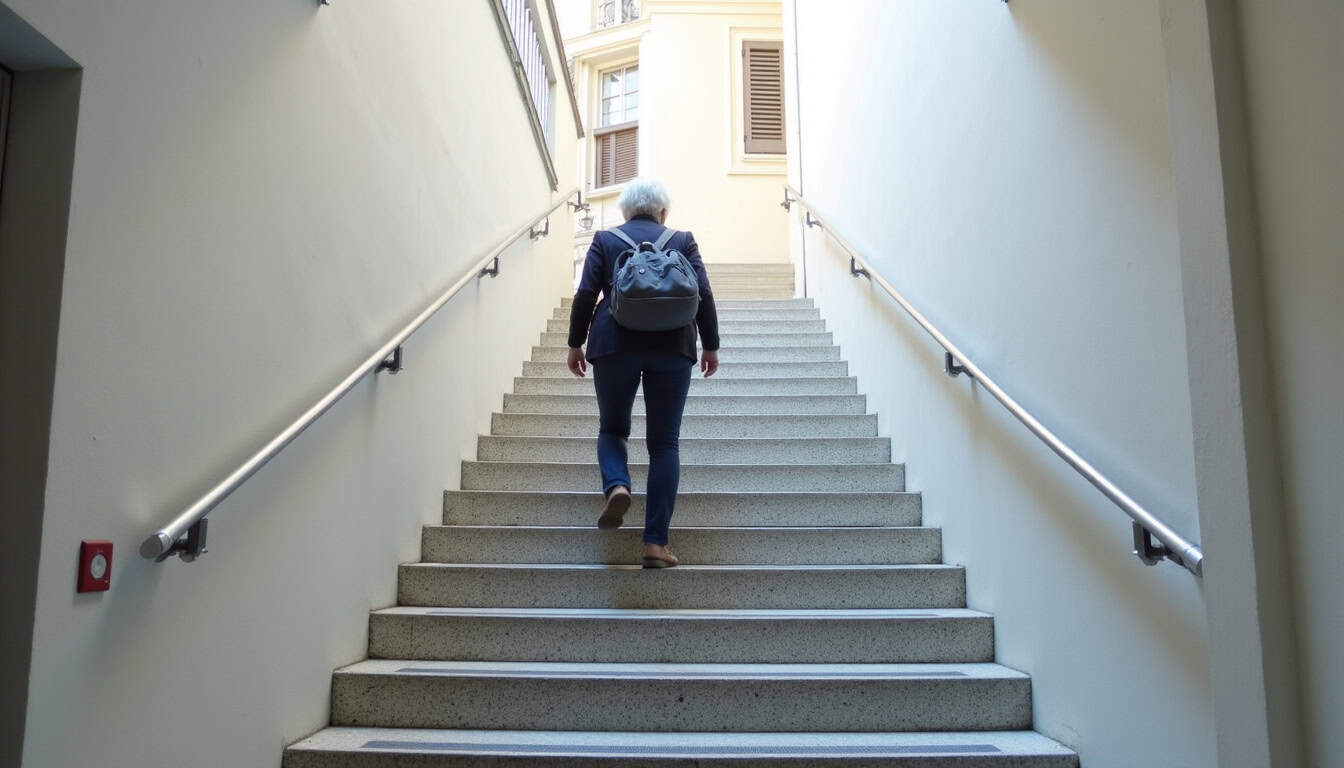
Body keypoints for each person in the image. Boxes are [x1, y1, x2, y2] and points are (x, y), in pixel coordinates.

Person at [566, 177, 720, 569]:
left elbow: (585, 294)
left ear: (625, 212)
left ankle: (617, 484)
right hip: (672, 348)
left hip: (614, 345)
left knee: (612, 430)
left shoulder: (604, 239)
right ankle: (655, 544)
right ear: (663, 212)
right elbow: (702, 292)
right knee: (665, 444)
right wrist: (711, 344)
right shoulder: (682, 239)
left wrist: (575, 343)